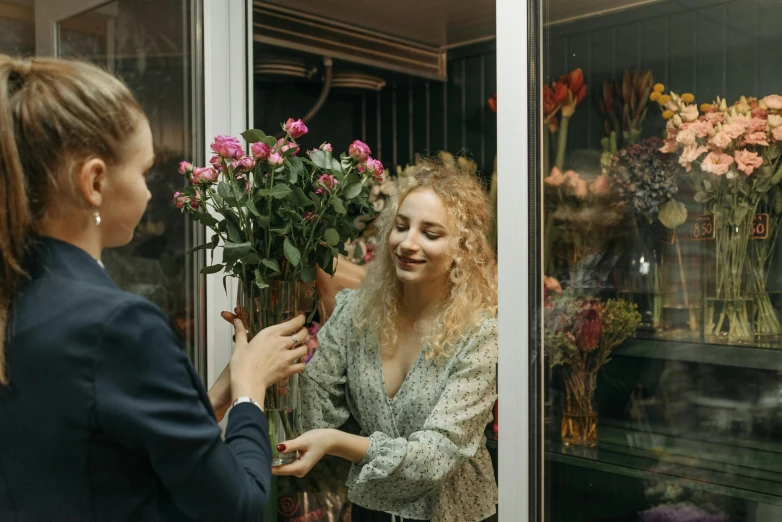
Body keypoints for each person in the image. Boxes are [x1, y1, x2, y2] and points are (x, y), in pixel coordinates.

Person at [0, 55, 309, 522]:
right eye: (144, 174)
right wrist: (250, 391)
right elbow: (238, 508)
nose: (149, 193)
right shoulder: (119, 325)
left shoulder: (18, 298)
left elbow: (95, 445)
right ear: (96, 181)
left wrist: (218, 394)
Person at [277, 158, 499, 522]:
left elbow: (437, 454)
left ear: (462, 247)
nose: (407, 243)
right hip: (373, 511)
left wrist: (337, 443)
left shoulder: (481, 332)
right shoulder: (355, 311)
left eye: (430, 233)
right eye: (400, 226)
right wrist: (284, 361)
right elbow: (315, 414)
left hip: (452, 514)